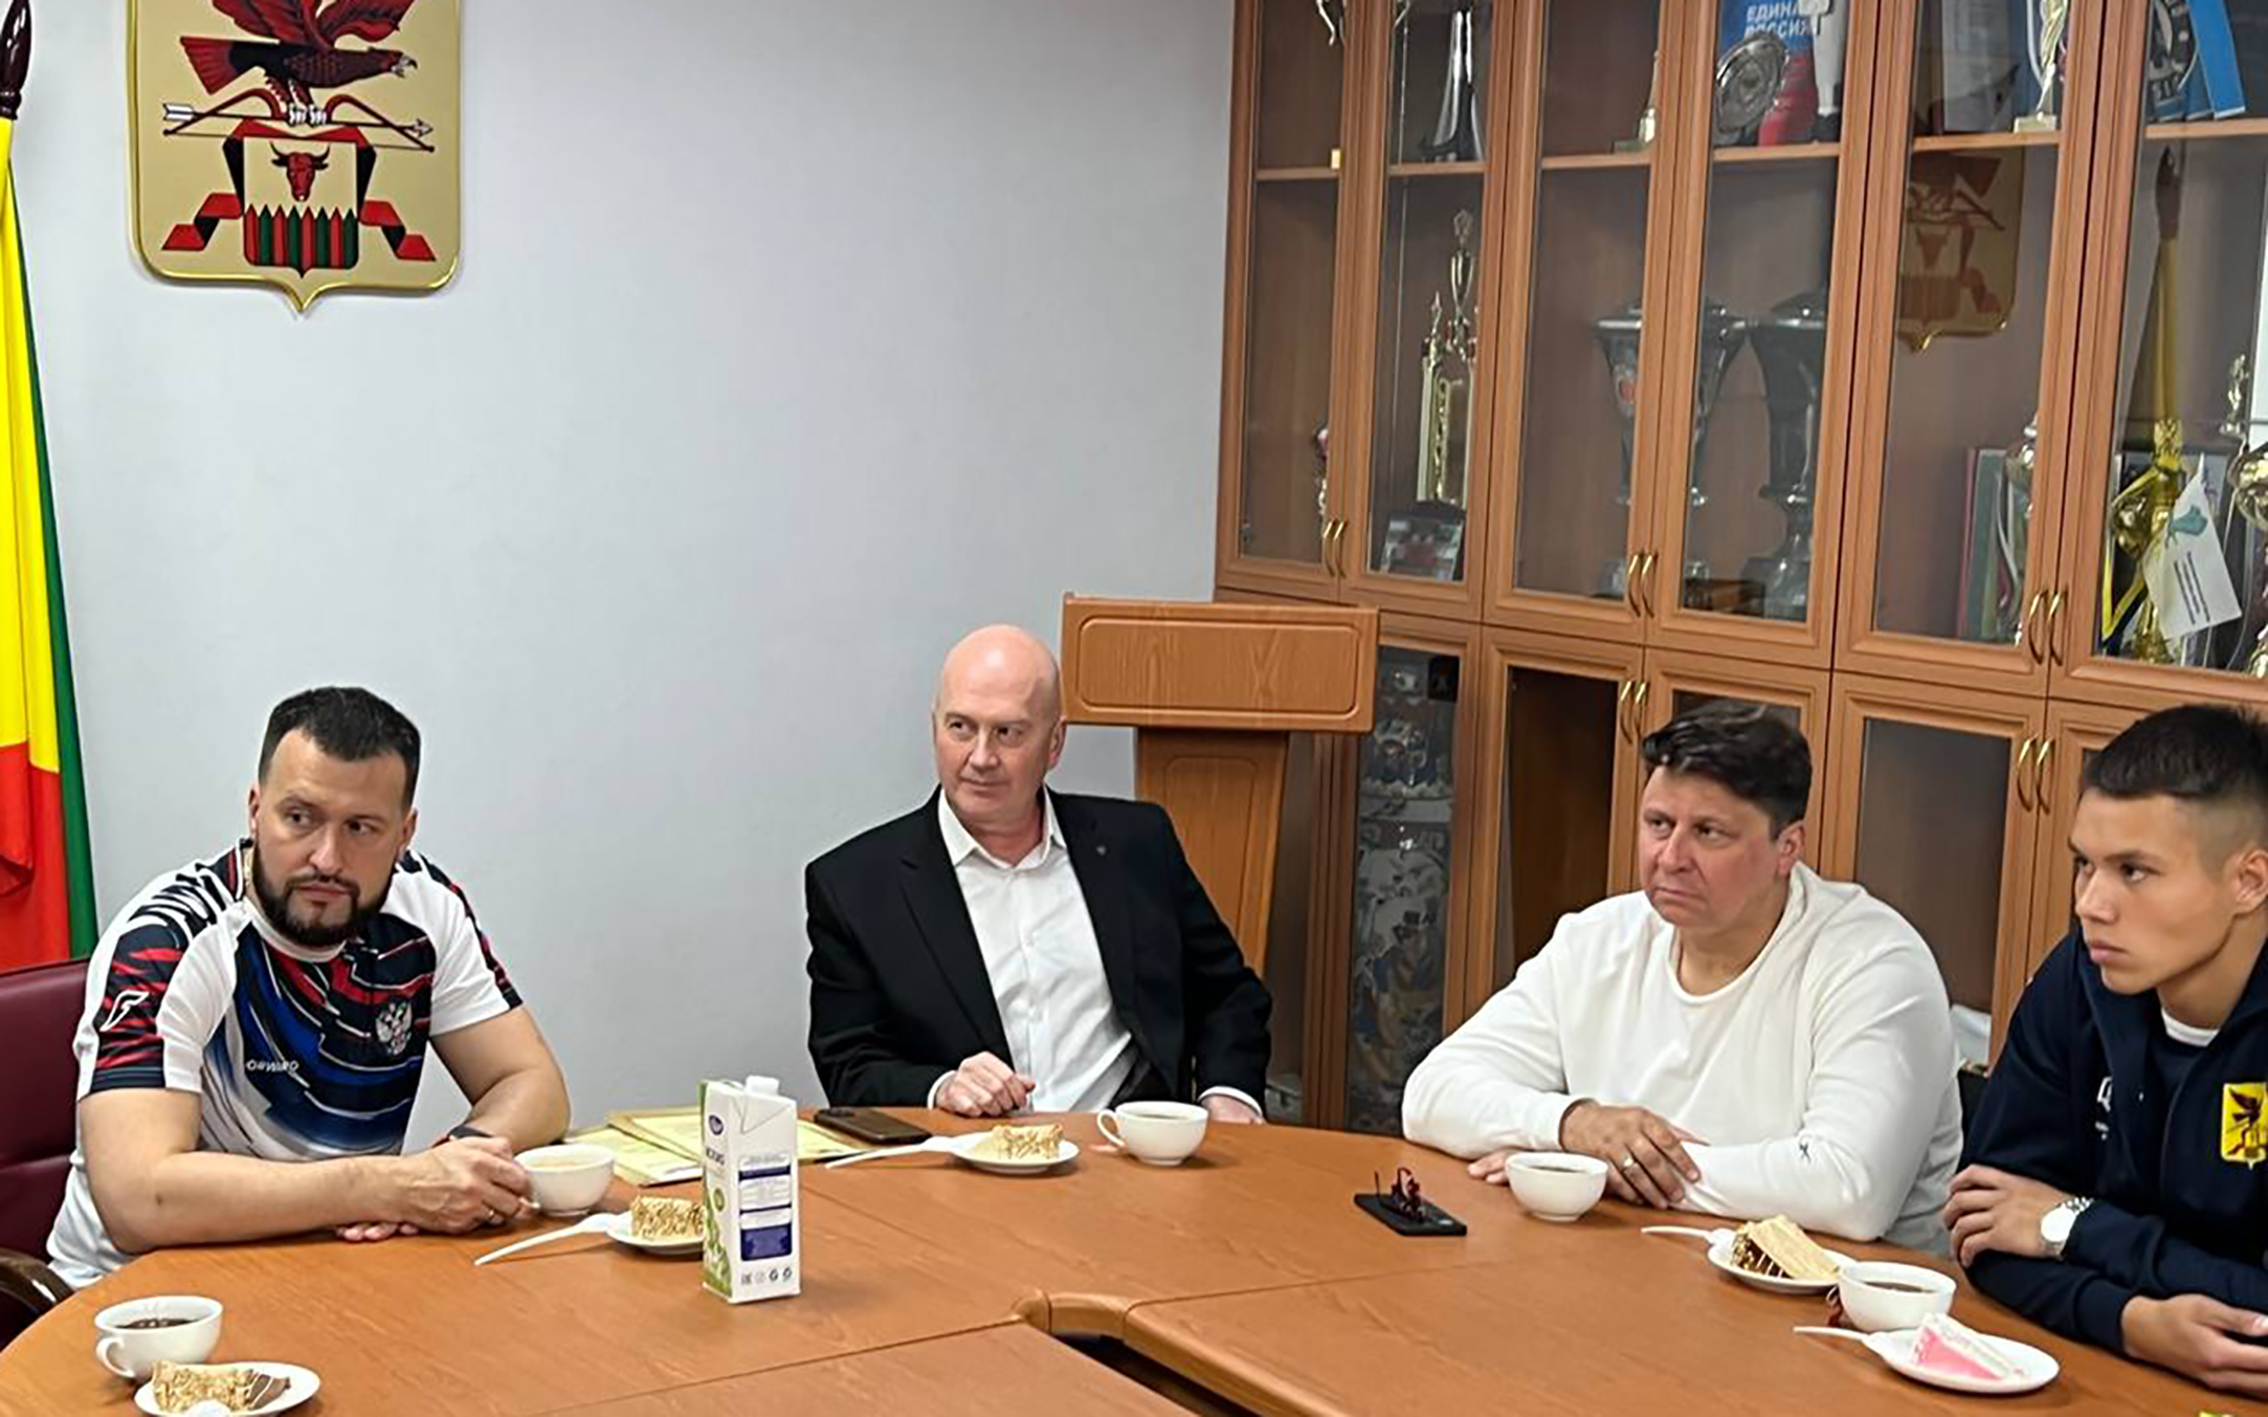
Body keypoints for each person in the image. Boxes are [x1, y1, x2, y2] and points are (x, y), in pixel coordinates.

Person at [46, 688, 570, 1288]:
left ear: (404, 834)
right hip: (137, 1298)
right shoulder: (169, 939)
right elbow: (139, 1200)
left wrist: (454, 1166)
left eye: (361, 828)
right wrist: (387, 1187)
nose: (326, 857)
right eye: (300, 818)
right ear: (255, 810)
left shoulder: (426, 911)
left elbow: (533, 1084)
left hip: (334, 1271)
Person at [1402, 701, 1961, 1250]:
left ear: (1788, 847)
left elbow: (1848, 1191)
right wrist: (1571, 1126)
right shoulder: (1599, 938)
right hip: (1636, 1263)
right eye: (1658, 824)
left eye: (1709, 832)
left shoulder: (1875, 964)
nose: (1670, 857)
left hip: (1829, 1295)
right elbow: (1431, 1095)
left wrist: (1605, 1169)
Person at [805, 625, 1271, 1120]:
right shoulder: (856, 887)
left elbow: (1227, 993)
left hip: (1127, 1153)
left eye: (1007, 733)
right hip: (966, 1157)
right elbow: (849, 1064)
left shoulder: (1138, 844)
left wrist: (1227, 1093)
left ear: (1055, 743)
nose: (980, 758)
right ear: (934, 727)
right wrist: (941, 1087)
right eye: (960, 727)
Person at [1948, 705, 2268, 1397]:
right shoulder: (2081, 975)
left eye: (2135, 871)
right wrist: (2130, 1322)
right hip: (2105, 1366)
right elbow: (1984, 1227)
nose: (2092, 903)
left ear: (2249, 881)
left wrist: (2074, 1223)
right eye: (2085, 865)